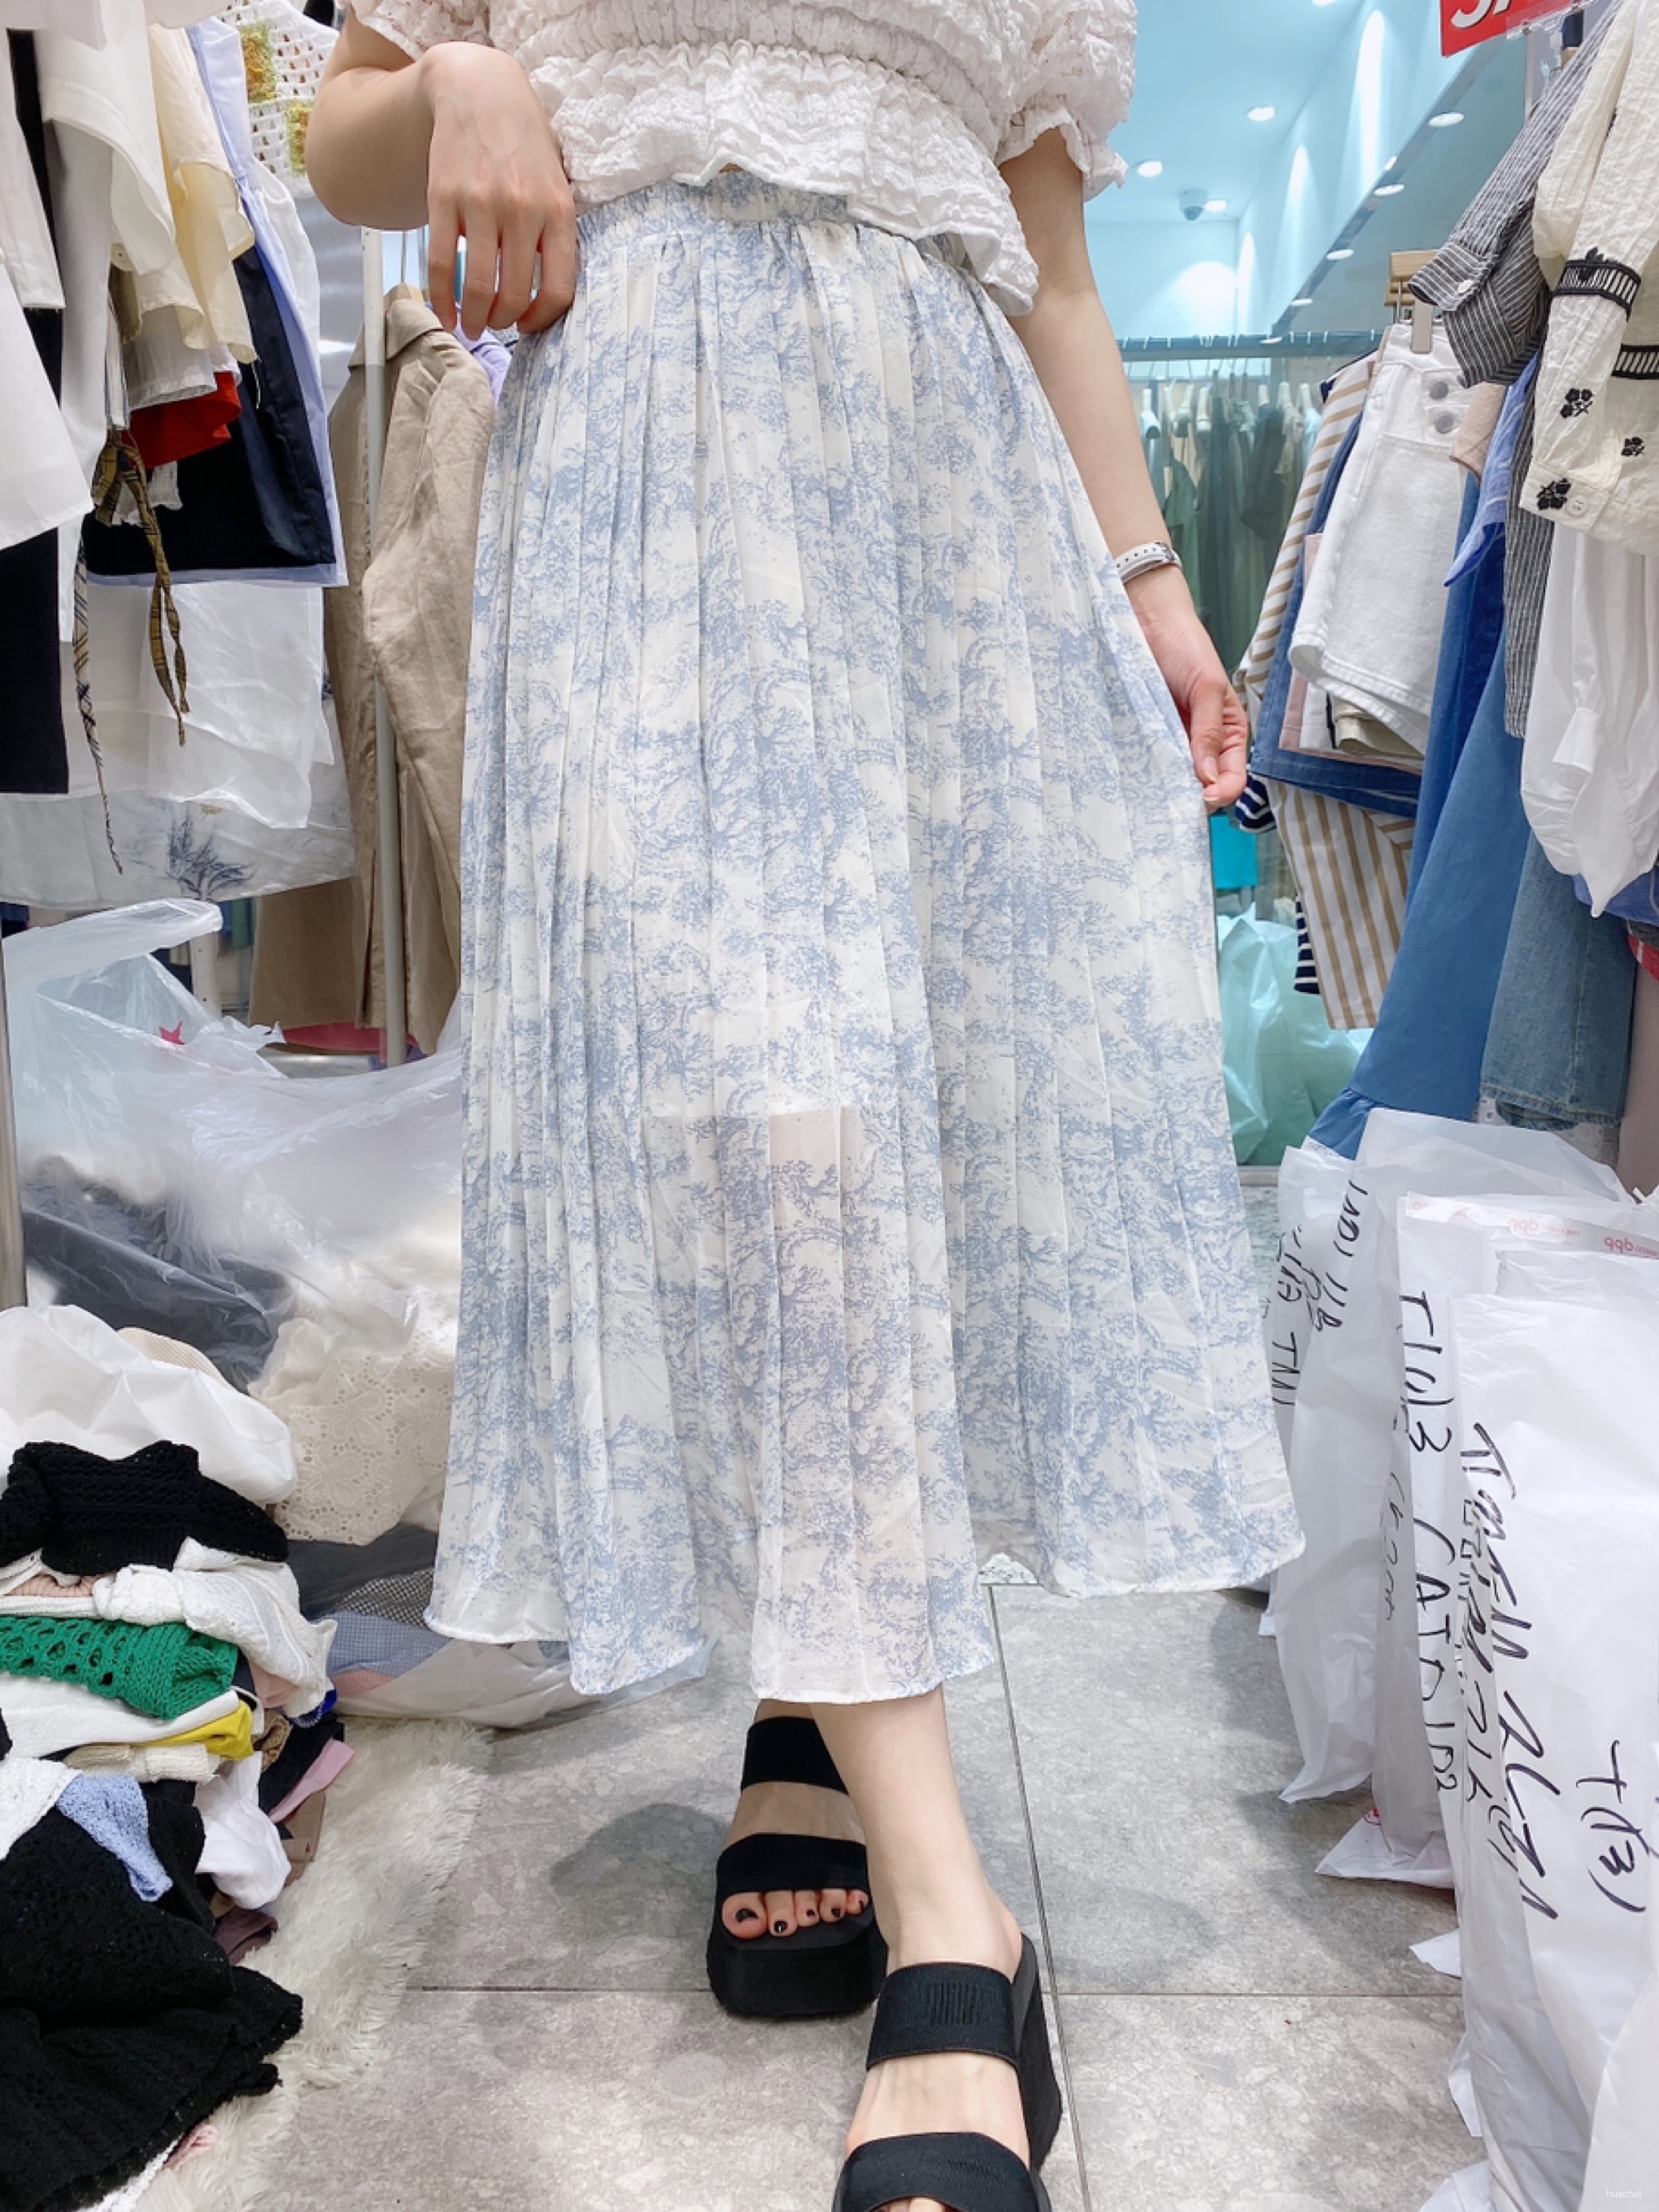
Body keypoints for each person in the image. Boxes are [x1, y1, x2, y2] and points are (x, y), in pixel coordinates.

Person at [309, 8, 1300, 2205]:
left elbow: (1051, 266)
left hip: (945, 488)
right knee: (756, 1122)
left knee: (887, 1115)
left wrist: (1149, 582)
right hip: (644, 469)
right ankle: (960, 1919)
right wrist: (462, 81)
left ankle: (810, 1711)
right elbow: (343, 135)